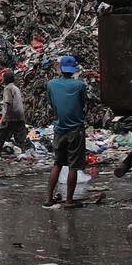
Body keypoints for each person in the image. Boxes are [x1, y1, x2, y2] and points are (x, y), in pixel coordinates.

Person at [44, 55, 87, 209]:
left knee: (58, 163)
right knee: (73, 166)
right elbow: (82, 104)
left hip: (59, 129)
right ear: (73, 70)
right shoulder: (79, 85)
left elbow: (51, 104)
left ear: (60, 68)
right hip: (75, 129)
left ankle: (48, 198)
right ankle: (69, 200)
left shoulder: (51, 84)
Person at [0, 69, 28, 156]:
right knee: (20, 134)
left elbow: (9, 102)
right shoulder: (16, 88)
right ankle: (24, 151)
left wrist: (6, 117)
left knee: (2, 132)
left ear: (6, 79)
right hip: (20, 115)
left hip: (11, 115)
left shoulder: (7, 88)